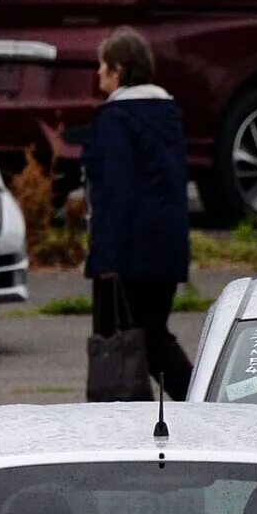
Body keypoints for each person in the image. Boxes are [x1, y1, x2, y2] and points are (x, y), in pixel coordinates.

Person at [83, 27, 192, 400]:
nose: (98, 74)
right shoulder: (167, 116)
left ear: (117, 69)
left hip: (129, 253)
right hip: (167, 248)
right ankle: (193, 401)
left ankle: (200, 402)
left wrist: (105, 257)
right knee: (151, 334)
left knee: (126, 342)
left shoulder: (117, 119)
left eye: (102, 66)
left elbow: (116, 191)